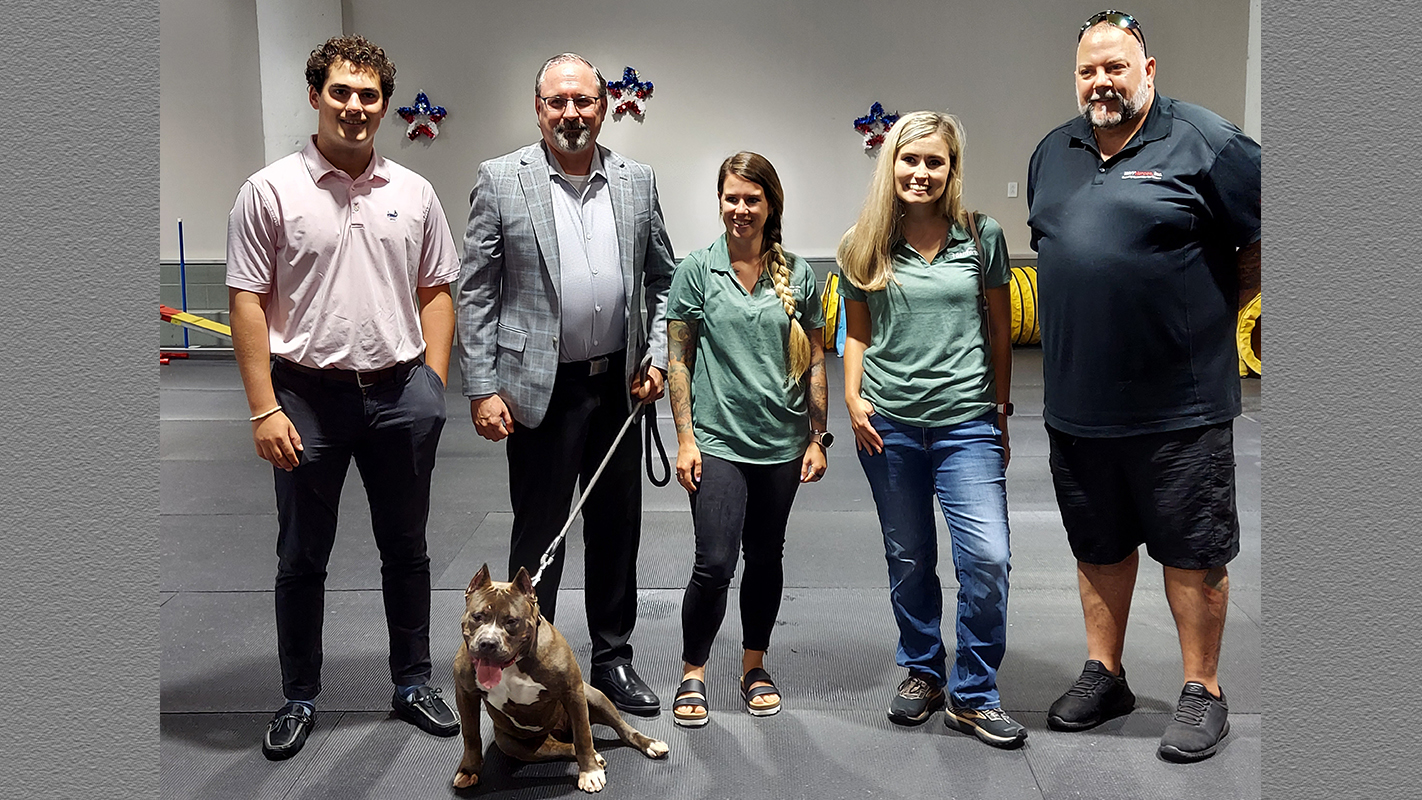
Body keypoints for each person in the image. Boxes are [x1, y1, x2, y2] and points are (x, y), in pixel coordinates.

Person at [1026, 10, 1261, 763]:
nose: (1101, 81)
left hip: (1179, 407)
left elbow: (1263, 231)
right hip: (1077, 405)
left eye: (1115, 67)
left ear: (1148, 71)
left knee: (1193, 552)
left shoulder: (1206, 140)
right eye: (1088, 70)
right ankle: (1106, 674)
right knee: (1098, 547)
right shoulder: (1052, 152)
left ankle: (1203, 689)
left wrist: (1220, 309)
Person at [226, 34, 461, 761]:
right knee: (302, 554)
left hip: (400, 395)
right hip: (305, 399)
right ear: (315, 96)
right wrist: (264, 407)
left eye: (369, 95)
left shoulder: (414, 193)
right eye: (341, 92)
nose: (355, 107)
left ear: (385, 105)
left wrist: (433, 385)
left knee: (407, 549)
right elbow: (247, 301)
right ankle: (299, 695)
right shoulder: (270, 191)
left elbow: (437, 289)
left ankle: (413, 683)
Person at [456, 53, 676, 717]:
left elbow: (665, 278)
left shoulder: (637, 180)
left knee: (616, 531)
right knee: (539, 538)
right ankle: (525, 667)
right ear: (538, 108)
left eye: (583, 101)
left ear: (603, 107)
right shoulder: (501, 179)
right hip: (537, 392)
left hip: (619, 389)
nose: (570, 113)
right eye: (557, 101)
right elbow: (475, 291)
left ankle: (612, 658)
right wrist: (481, 386)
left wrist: (657, 355)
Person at [838, 111, 1023, 748]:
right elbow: (856, 331)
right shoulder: (862, 243)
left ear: (952, 168)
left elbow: (1000, 331)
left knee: (988, 558)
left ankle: (974, 693)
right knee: (910, 557)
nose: (921, 172)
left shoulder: (981, 235)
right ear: (891, 164)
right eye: (910, 159)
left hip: (966, 424)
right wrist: (853, 398)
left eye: (934, 161)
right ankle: (923, 670)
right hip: (888, 427)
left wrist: (1001, 412)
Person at [664, 152, 829, 727]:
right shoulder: (696, 270)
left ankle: (754, 666)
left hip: (782, 444)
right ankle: (693, 670)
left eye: (751, 199)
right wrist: (685, 439)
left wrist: (818, 437)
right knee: (714, 563)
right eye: (731, 197)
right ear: (719, 202)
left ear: (770, 204)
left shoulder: (800, 275)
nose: (740, 208)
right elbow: (678, 360)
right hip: (717, 442)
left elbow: (815, 360)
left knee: (764, 556)